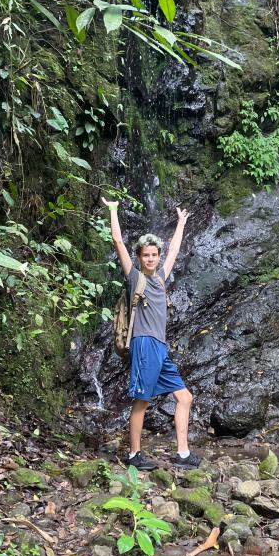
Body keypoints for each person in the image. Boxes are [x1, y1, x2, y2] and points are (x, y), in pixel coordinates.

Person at [103, 198, 202, 471]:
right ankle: (134, 454)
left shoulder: (160, 278)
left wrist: (181, 223)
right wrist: (113, 210)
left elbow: (175, 250)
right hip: (144, 344)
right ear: (139, 258)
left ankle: (183, 454)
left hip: (160, 347)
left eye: (154, 255)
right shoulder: (136, 278)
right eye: (146, 255)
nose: (150, 259)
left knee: (185, 397)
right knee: (142, 400)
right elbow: (118, 241)